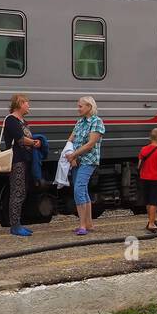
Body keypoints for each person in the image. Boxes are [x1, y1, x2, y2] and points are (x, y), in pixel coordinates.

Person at [0, 93, 42, 237]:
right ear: (19, 104)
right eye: (27, 103)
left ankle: (18, 223)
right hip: (17, 160)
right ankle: (15, 226)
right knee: (17, 192)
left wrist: (34, 142)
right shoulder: (11, 120)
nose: (28, 105)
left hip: (24, 159)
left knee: (22, 191)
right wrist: (35, 142)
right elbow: (20, 139)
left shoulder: (22, 121)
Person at [65, 96, 105, 235]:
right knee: (82, 191)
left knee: (78, 189)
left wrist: (74, 154)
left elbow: (90, 144)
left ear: (89, 106)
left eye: (80, 106)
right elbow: (71, 139)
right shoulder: (79, 122)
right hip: (77, 160)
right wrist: (71, 155)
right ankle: (89, 224)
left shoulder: (97, 122)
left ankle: (82, 225)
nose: (78, 108)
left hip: (89, 160)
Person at [137, 128, 157, 235]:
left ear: (150, 138)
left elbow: (139, 165)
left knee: (148, 201)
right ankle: (151, 223)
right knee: (154, 202)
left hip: (144, 178)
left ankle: (151, 219)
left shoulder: (143, 149)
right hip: (156, 179)